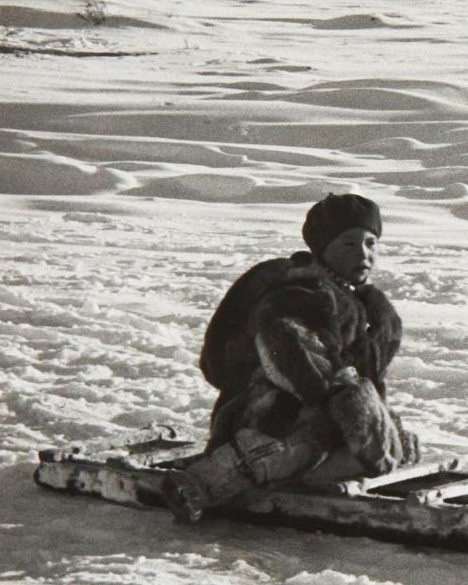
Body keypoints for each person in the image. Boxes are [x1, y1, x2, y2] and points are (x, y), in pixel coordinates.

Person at [161, 192, 414, 522]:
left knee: (389, 443)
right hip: (268, 413)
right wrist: (340, 396)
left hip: (329, 410)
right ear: (323, 248)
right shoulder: (300, 295)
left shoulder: (359, 302)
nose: (363, 254)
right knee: (305, 440)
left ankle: (310, 473)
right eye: (349, 244)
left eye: (370, 243)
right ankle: (206, 482)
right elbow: (287, 357)